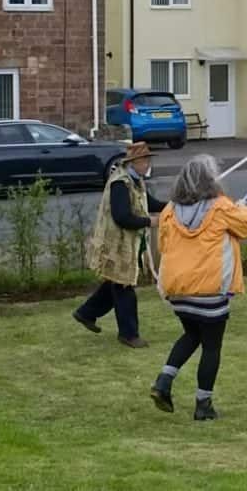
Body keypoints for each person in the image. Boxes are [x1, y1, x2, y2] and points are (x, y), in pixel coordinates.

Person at [149, 155, 247, 420]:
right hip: (209, 289)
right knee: (211, 346)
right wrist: (241, 208)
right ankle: (203, 404)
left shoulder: (169, 211)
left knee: (191, 335)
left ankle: (164, 381)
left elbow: (163, 246)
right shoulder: (221, 207)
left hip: (178, 289)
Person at [75, 141, 166, 348]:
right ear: (135, 162)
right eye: (146, 160)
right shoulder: (120, 184)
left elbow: (149, 203)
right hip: (116, 244)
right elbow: (122, 217)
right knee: (124, 286)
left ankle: (86, 313)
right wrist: (149, 222)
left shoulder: (136, 181)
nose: (148, 164)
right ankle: (129, 334)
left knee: (116, 283)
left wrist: (174, 205)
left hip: (126, 243)